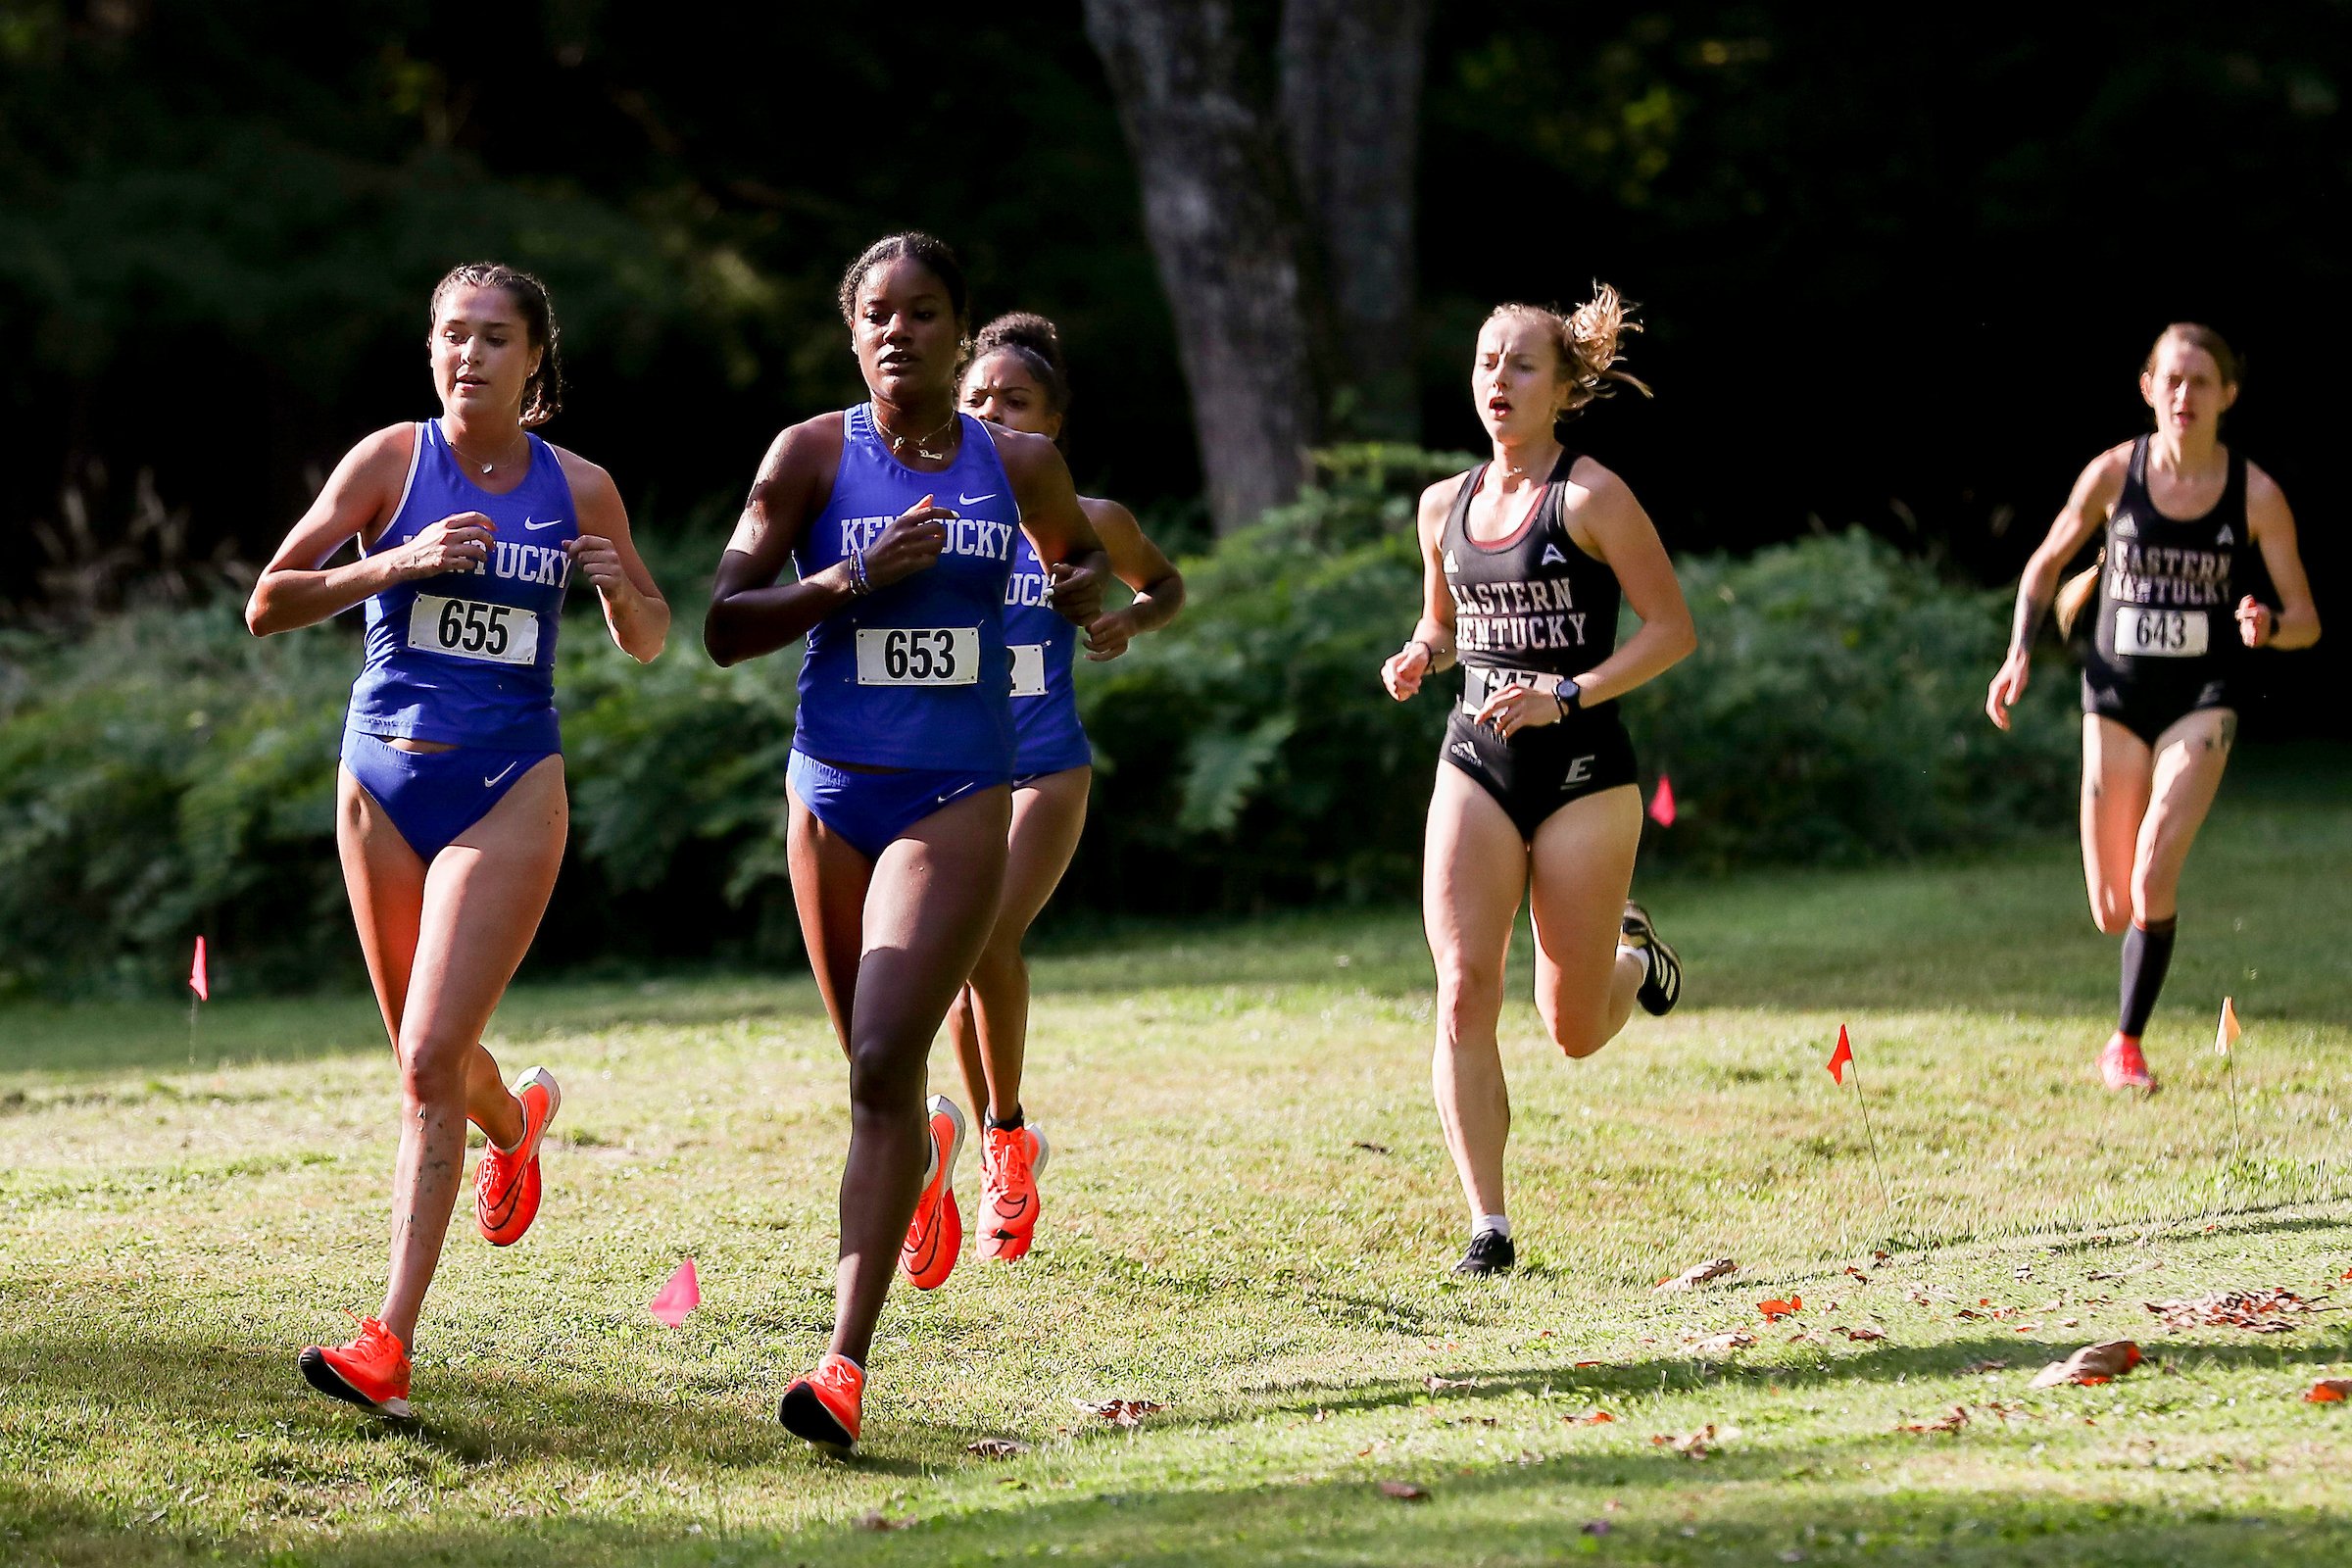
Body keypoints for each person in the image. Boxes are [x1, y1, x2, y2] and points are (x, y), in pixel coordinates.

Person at [705, 235, 1108, 1451]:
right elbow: (724, 623)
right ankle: (928, 1157)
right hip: (829, 797)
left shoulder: (1018, 462)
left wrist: (1087, 590)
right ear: (852, 334)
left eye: (924, 314)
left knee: (886, 1058)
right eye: (878, 315)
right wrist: (849, 577)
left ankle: (841, 1366)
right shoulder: (812, 455)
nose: (899, 333)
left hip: (958, 795)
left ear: (959, 330)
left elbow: (1079, 553)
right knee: (870, 1076)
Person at [245, 263, 669, 1417]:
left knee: (429, 1058)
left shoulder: (580, 486)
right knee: (426, 1062)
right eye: (451, 335)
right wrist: (394, 561)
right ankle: (515, 1126)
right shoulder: (390, 462)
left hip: (508, 788)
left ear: (537, 358)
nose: (469, 355)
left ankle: (387, 1339)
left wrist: (617, 594)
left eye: (494, 338)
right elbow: (270, 598)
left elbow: (648, 636)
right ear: (430, 348)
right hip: (378, 783)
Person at [1380, 289, 1695, 1278]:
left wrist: (1570, 690)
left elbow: (1670, 629)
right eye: (1485, 362)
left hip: (1585, 771)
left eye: (1521, 365)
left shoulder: (1593, 495)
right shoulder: (1444, 505)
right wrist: (1417, 654)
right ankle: (1490, 1226)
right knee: (1465, 989)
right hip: (1475, 760)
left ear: (1562, 388)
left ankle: (1635, 963)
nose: (1498, 381)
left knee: (1571, 1029)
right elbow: (1444, 625)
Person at [1986, 322, 2319, 1092]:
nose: (2184, 394)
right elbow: (2043, 565)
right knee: (2111, 908)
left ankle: (2125, 1043)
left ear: (2228, 395)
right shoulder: (2114, 474)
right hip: (2116, 694)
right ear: (2148, 388)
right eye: (2172, 379)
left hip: (2205, 698)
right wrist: (2020, 650)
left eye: (2202, 381)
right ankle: (2129, 1011)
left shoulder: (2256, 495)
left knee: (2154, 869)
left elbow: (2308, 621)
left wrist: (2269, 627)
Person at [944, 313, 1185, 1264]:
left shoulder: (1091, 520)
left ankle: (1004, 1136)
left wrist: (1130, 619)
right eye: (977, 400)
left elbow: (1166, 583)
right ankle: (1002, 1141)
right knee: (963, 966)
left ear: (1053, 422)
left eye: (1014, 401)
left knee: (988, 938)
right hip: (951, 771)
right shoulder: (929, 515)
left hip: (1046, 763)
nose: (993, 414)